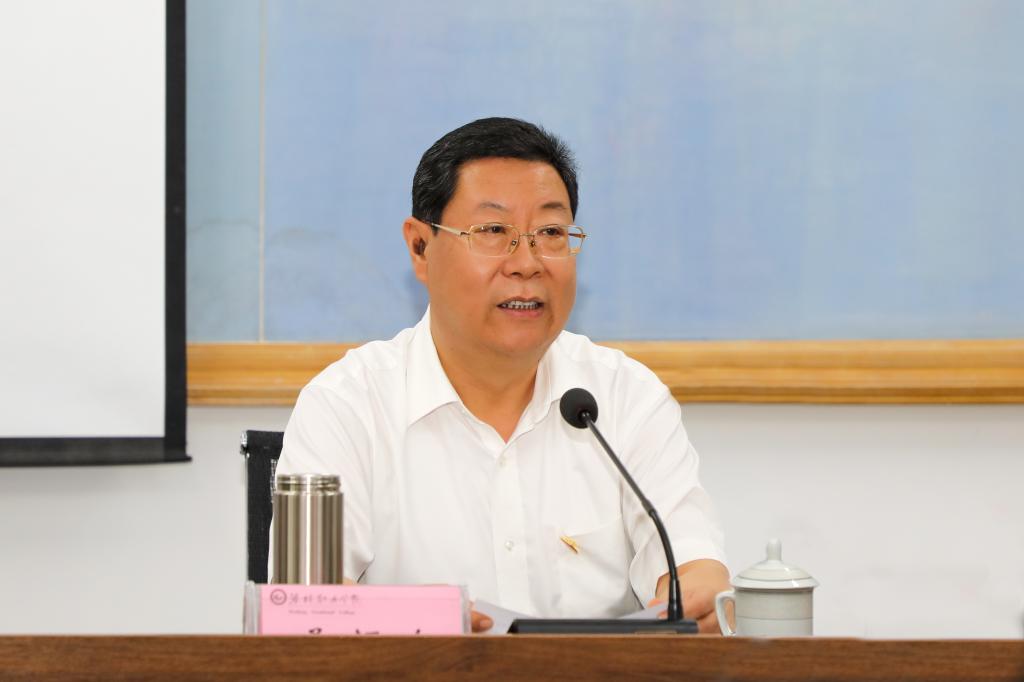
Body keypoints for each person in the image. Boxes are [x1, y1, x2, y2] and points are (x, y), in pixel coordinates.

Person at [276, 117, 730, 633]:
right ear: (420, 247)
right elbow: (306, 607)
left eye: (550, 233)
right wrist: (429, 626)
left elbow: (695, 572)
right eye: (493, 232)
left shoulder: (625, 398)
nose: (527, 263)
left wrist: (699, 602)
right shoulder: (346, 406)